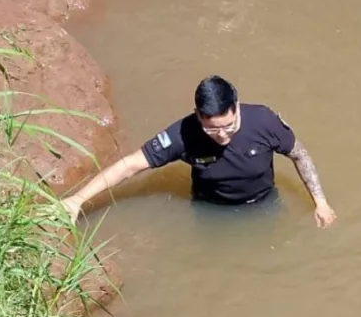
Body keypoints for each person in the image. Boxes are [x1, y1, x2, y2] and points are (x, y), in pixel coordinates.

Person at [61, 75, 336, 227]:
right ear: (198, 115)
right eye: (212, 129)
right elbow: (130, 165)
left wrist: (320, 203)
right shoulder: (183, 134)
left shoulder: (264, 121)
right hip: (210, 212)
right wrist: (77, 200)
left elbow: (299, 155)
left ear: (237, 108)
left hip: (264, 204)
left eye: (229, 126)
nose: (222, 135)